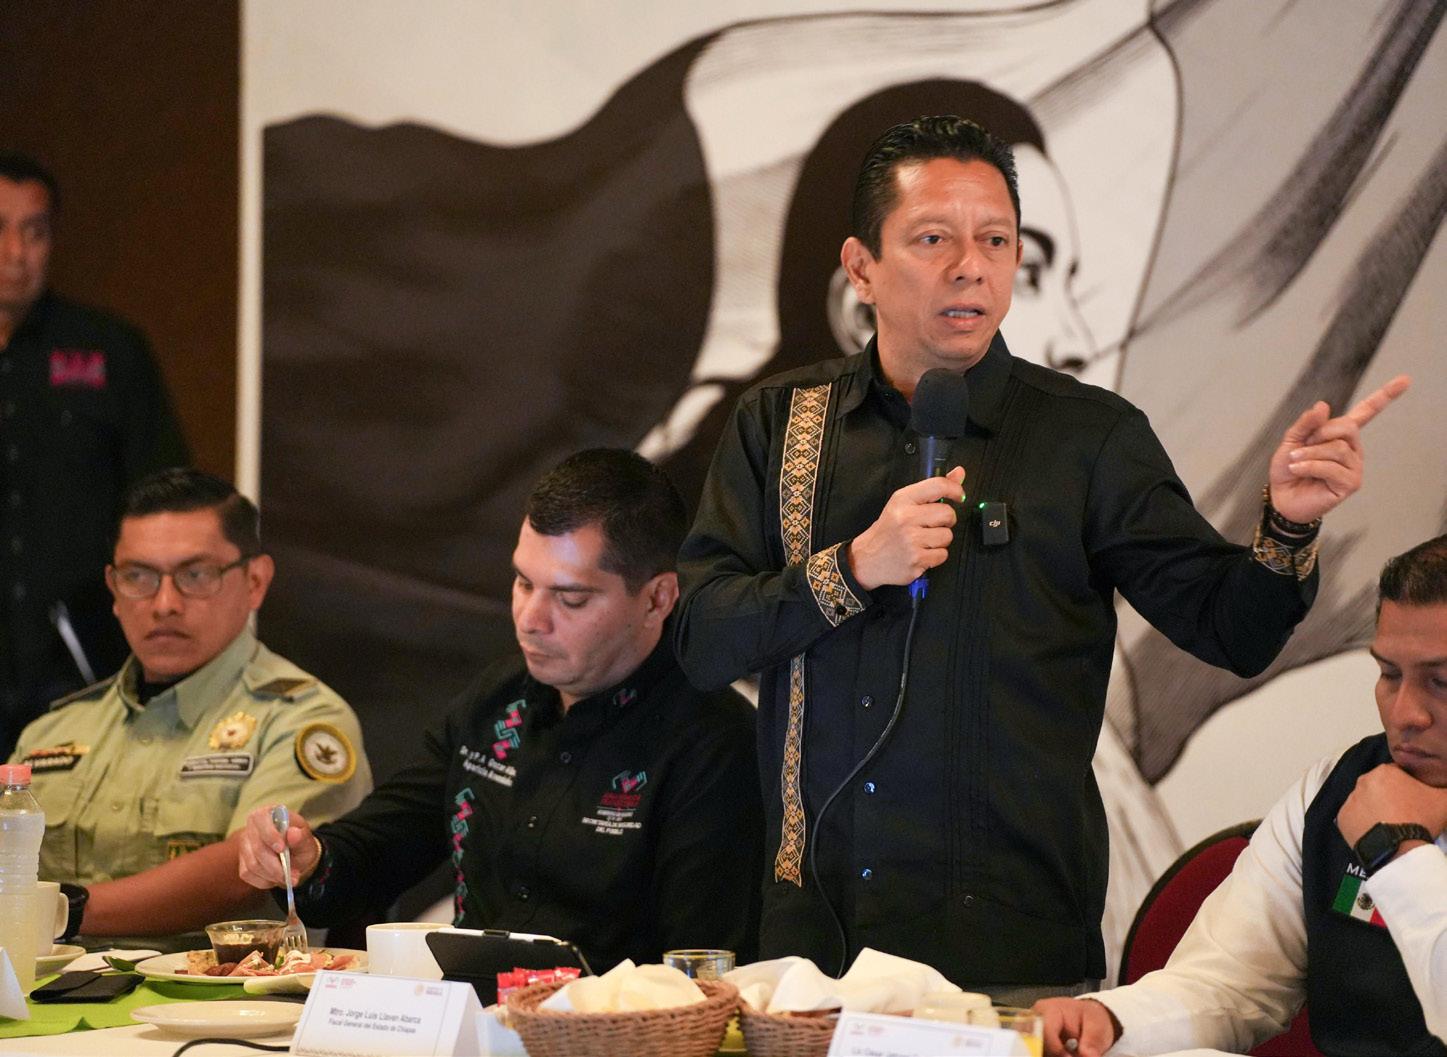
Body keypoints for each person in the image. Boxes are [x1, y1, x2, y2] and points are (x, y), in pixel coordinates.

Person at [674, 114, 1409, 997]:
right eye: (933, 239)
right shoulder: (780, 423)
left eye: (995, 240)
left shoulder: (1086, 436)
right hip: (812, 944)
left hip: (1011, 952)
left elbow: (1231, 630)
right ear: (860, 266)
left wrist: (1285, 526)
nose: (970, 267)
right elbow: (701, 637)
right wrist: (852, 568)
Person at [236, 449, 763, 971]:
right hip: (468, 1011)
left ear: (657, 599)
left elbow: (702, 971)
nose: (531, 618)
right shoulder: (498, 700)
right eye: (523, 583)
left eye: (571, 599)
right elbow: (379, 851)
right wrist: (307, 860)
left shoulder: (713, 740)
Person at [1036, 535, 1447, 1057]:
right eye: (1389, 674)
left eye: (1441, 682)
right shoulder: (1334, 790)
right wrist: (1110, 1020)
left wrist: (1399, 851)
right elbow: (1230, 983)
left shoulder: (1377, 813)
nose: (1405, 713)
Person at [8, 468, 371, 940]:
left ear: (255, 581)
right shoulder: (52, 731)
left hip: (222, 985)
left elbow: (250, 868)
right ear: (113, 588)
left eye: (195, 575)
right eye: (138, 577)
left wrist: (61, 912)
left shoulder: (303, 719)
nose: (164, 603)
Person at [0, 151, 189, 758]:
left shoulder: (108, 350)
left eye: (35, 232)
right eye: (0, 228)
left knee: (72, 812)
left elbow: (168, 499)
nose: (15, 252)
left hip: (82, 656)